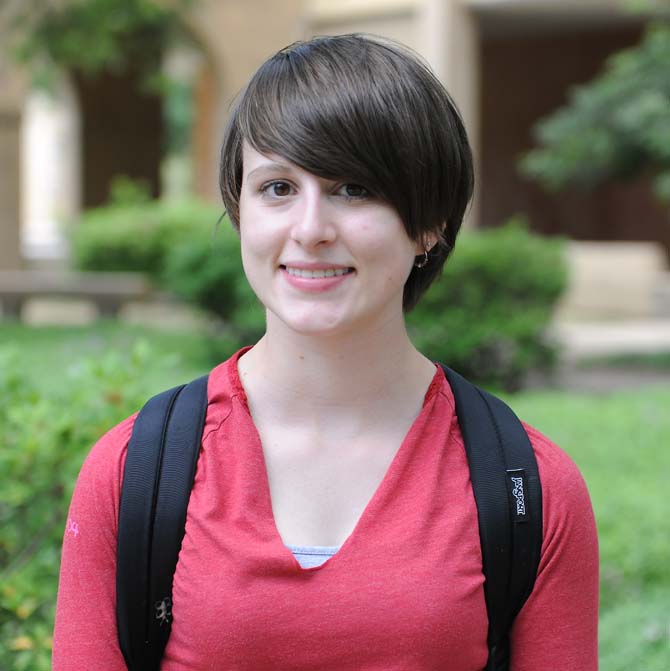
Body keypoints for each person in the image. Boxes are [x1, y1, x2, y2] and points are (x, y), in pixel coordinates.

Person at [53, 34, 598, 670]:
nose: (310, 230)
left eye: (354, 188)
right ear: (240, 213)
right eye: (278, 188)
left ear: (431, 224)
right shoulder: (134, 472)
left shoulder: (528, 488)